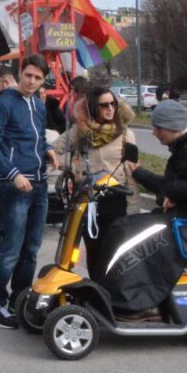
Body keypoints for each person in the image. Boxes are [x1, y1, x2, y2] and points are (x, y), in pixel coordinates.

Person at [0, 53, 54, 329]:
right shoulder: (5, 103)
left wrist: (47, 150)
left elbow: (38, 137)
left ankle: (19, 300)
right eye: (28, 75)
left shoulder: (38, 104)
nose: (32, 82)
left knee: (31, 249)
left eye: (38, 78)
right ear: (20, 74)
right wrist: (12, 174)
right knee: (11, 248)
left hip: (40, 183)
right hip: (16, 186)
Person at [51, 86, 139, 257]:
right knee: (93, 251)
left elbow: (132, 172)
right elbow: (52, 151)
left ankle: (111, 284)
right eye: (104, 105)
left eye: (113, 103)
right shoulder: (80, 131)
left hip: (116, 199)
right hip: (87, 199)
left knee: (115, 252)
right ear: (93, 107)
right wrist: (73, 167)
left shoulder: (126, 133)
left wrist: (133, 210)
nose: (110, 108)